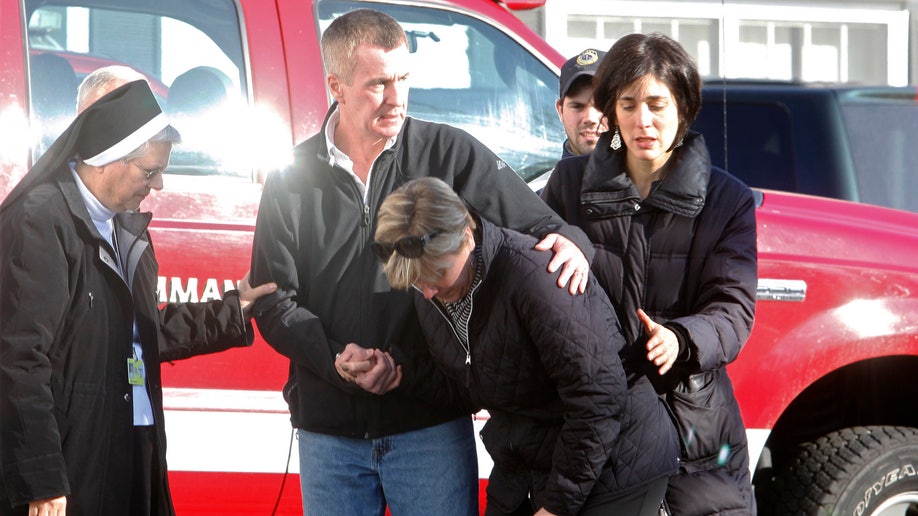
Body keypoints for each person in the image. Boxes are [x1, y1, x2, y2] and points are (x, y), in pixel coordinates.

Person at [248, 8, 593, 516]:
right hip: (329, 433)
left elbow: (543, 228)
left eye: (404, 79)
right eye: (379, 84)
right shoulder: (290, 178)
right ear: (336, 87)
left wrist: (572, 243)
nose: (396, 98)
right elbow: (273, 300)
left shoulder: (449, 153)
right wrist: (334, 358)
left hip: (429, 425)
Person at [0, 67, 276, 516]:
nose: (160, 185)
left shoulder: (127, 226)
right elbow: (18, 360)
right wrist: (43, 478)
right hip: (76, 463)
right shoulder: (41, 220)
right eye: (151, 171)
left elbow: (137, 332)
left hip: (134, 446)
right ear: (110, 158)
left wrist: (232, 311)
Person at [361, 177, 679, 516]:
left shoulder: (535, 277)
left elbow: (598, 398)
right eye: (415, 280)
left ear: (467, 237)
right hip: (529, 462)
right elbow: (475, 383)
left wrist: (556, 505)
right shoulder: (433, 292)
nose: (426, 292)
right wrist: (399, 374)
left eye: (436, 274)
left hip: (617, 465)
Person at [540, 33, 758, 515]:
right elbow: (524, 276)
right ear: (612, 111)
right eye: (629, 103)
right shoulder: (569, 186)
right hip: (596, 425)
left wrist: (683, 338)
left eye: (657, 104)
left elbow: (734, 309)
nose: (643, 120)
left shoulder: (728, 200)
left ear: (683, 108)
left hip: (695, 426)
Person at [556, 48, 607, 160]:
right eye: (577, 107)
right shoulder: (551, 178)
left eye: (601, 105)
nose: (590, 118)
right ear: (560, 111)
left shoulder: (649, 176)